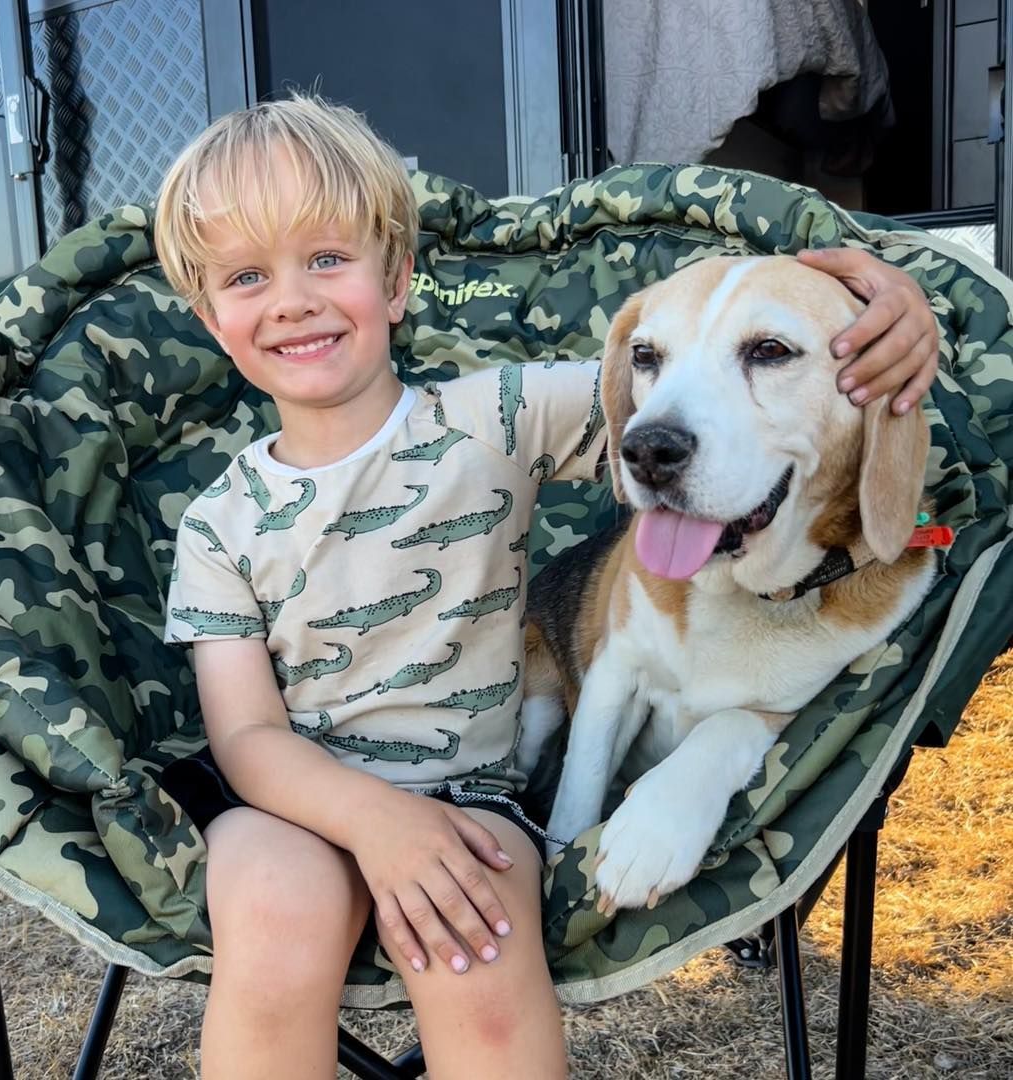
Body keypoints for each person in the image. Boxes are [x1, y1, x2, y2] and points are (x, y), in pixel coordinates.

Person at [153, 93, 938, 1079]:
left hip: (477, 801)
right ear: (209, 316)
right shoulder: (215, 526)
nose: (293, 299)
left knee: (480, 960)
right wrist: (376, 826)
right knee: (276, 908)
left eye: (327, 258)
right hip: (290, 809)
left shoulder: (500, 418)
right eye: (245, 275)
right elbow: (247, 738)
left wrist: (882, 294)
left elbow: (688, 376)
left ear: (394, 279)